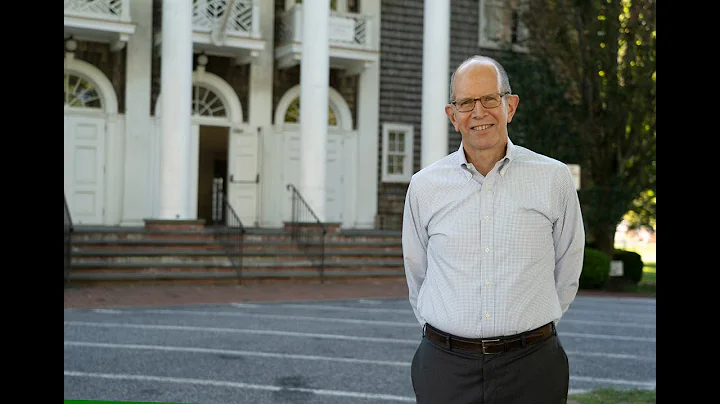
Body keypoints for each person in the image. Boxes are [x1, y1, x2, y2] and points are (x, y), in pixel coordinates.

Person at [402, 55, 585, 404]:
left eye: (490, 99)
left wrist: (529, 324)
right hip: (445, 368)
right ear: (452, 115)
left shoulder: (553, 178)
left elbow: (568, 264)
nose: (479, 112)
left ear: (510, 106)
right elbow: (417, 273)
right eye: (466, 102)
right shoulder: (424, 186)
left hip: (532, 366)